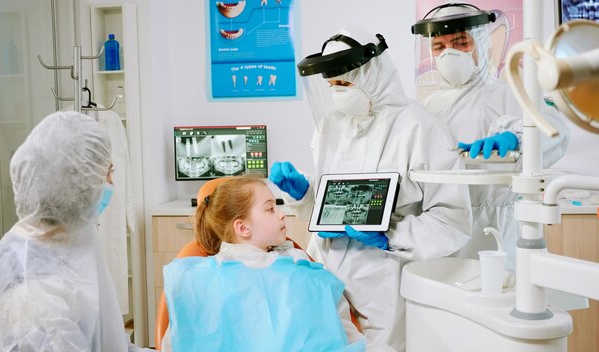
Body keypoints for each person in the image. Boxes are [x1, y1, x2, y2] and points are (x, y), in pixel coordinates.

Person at [270, 26, 472, 352]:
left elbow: (453, 220)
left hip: (385, 282)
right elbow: (328, 207)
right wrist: (306, 194)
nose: (337, 93)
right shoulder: (330, 128)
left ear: (372, 73)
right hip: (325, 273)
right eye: (332, 85)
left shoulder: (420, 128)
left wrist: (391, 235)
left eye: (345, 83)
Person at [0, 111, 151, 351]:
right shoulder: (42, 304)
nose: (111, 184)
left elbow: (110, 340)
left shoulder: (72, 238)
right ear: (76, 184)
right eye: (107, 173)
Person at [411, 2, 569, 271]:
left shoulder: (508, 94)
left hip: (494, 229)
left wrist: (518, 139)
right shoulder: (424, 108)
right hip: (438, 234)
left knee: (499, 300)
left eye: (460, 42)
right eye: (439, 46)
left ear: (482, 44)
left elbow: (556, 132)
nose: (448, 53)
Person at [161, 176, 365, 352]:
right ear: (243, 227)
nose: (281, 213)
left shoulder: (297, 264)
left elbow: (335, 322)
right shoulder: (202, 281)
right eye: (270, 209)